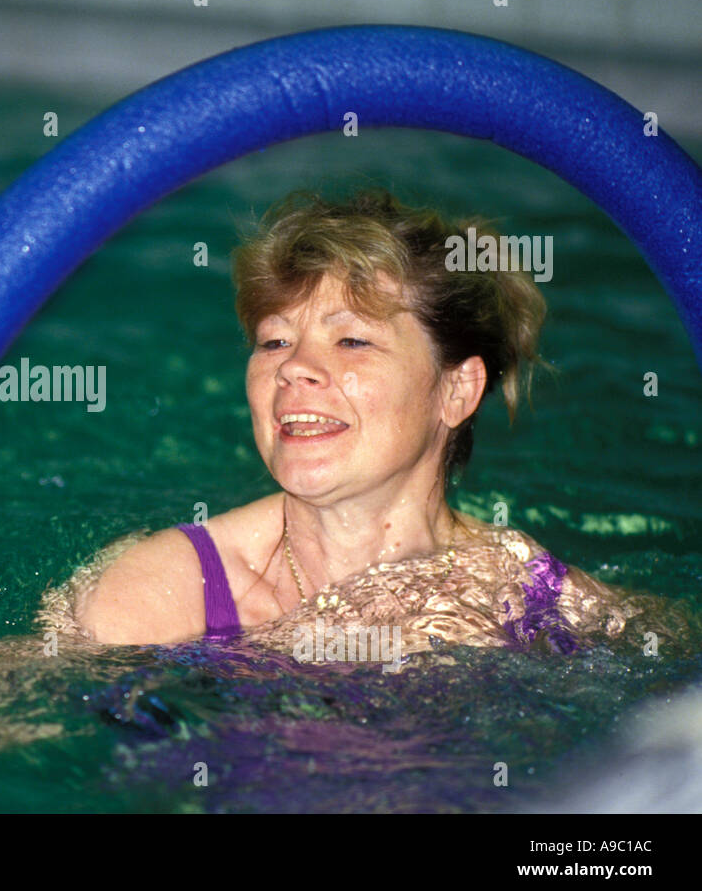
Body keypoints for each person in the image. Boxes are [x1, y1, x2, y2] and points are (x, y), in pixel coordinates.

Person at [61, 190, 650, 655]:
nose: (295, 368)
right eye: (274, 341)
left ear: (457, 389)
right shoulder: (156, 595)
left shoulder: (534, 600)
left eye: (352, 340)